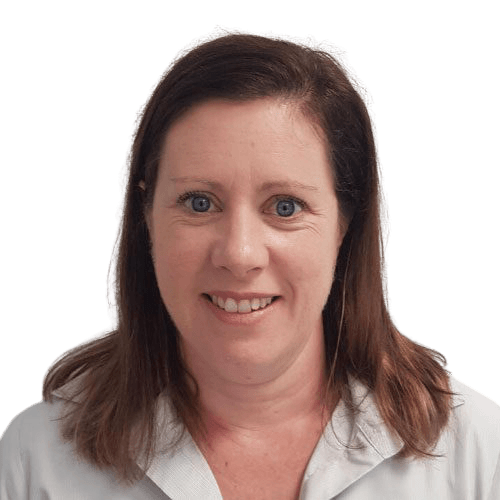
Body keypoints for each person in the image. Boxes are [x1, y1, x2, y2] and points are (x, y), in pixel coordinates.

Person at [1, 28, 499, 500]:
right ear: (147, 217)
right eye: (199, 203)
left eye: (285, 206)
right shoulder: (36, 461)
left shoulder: (478, 453)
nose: (239, 255)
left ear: (346, 224)